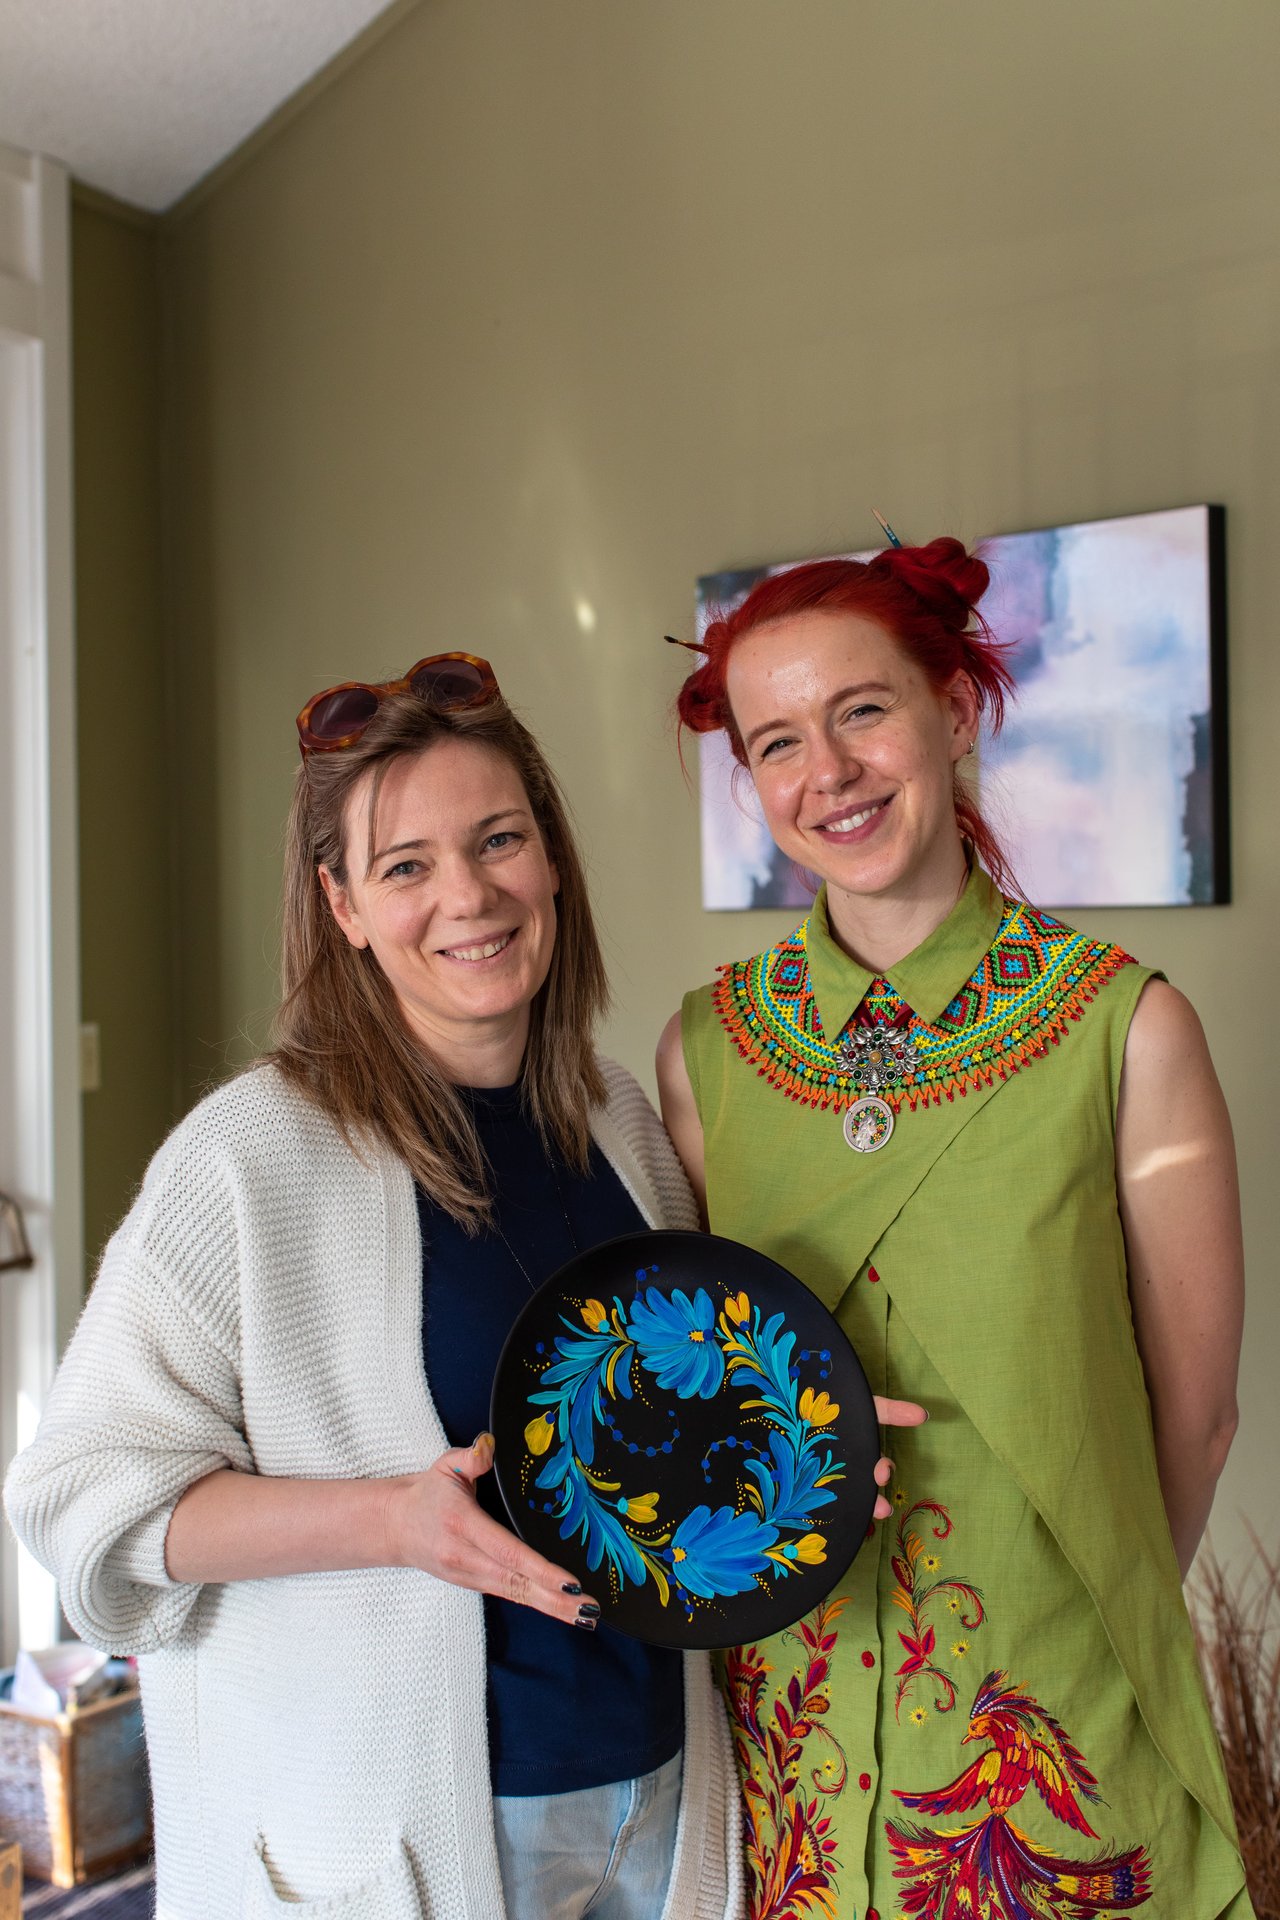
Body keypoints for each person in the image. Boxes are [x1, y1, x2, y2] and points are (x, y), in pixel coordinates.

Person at [8, 655, 751, 1920]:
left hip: (665, 1806)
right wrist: (386, 1523)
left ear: (553, 861)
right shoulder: (248, 1158)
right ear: (341, 904)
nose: (466, 894)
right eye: (403, 865)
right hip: (409, 1837)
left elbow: (676, 1430)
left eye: (497, 840)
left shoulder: (617, 1120)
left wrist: (804, 1445)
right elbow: (83, 1505)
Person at [657, 543, 1254, 1920]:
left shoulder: (1124, 1028)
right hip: (780, 1761)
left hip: (1049, 1750)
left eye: (864, 711)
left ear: (956, 710)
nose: (831, 773)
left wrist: (1067, 1623)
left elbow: (1199, 1420)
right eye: (780, 742)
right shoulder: (708, 1054)